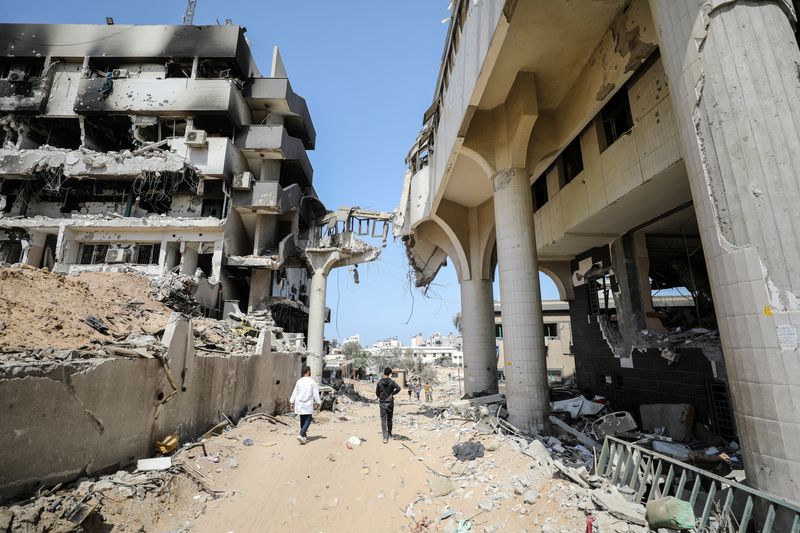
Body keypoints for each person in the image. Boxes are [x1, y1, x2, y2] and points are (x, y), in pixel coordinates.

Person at [289, 365, 321, 445]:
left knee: (302, 420)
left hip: (299, 404)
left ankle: (304, 437)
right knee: (308, 419)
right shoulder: (312, 381)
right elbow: (315, 394)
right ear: (308, 371)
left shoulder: (299, 381)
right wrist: (318, 402)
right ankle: (301, 434)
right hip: (307, 404)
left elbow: (295, 392)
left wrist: (291, 402)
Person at [376, 367, 401, 443]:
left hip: (382, 402)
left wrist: (381, 397)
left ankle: (385, 437)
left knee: (383, 419)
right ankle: (389, 433)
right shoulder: (392, 382)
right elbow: (398, 388)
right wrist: (392, 394)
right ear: (390, 374)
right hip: (390, 402)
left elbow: (377, 393)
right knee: (389, 419)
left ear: (384, 372)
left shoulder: (380, 382)